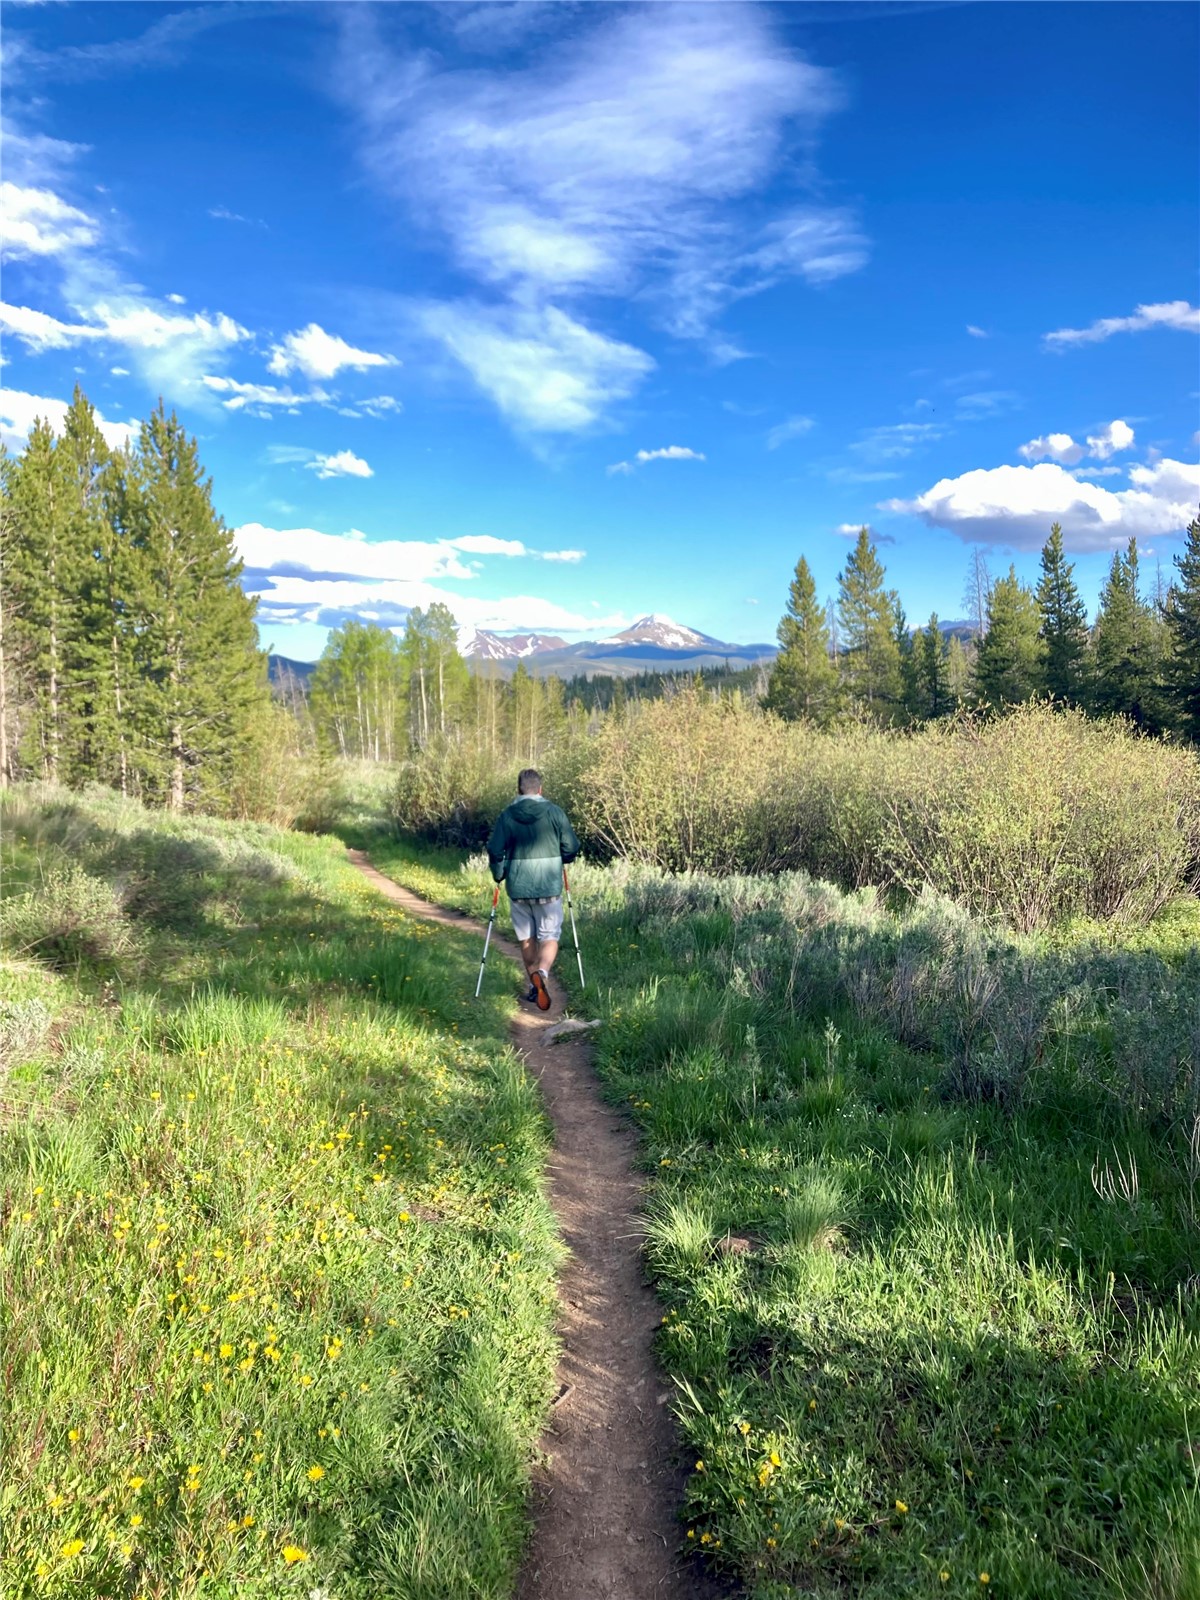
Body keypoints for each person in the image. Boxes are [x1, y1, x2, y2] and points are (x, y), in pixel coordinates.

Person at [487, 767, 580, 1010]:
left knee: (526, 939)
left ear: (518, 790)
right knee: (549, 936)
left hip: (518, 888)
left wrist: (499, 874)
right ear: (540, 789)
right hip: (548, 886)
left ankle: (533, 986)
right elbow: (571, 846)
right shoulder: (554, 813)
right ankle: (543, 972)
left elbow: (495, 850)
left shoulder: (507, 815)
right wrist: (563, 858)